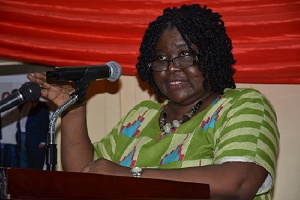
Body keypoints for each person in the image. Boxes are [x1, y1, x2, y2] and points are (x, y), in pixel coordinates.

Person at [28, 4, 279, 200]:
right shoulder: (141, 116)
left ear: (210, 57)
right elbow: (86, 177)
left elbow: (237, 184)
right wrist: (72, 106)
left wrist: (130, 176)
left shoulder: (243, 105)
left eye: (185, 55)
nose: (171, 68)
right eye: (161, 58)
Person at [0, 91, 18, 168]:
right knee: (2, 161)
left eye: (8, 97)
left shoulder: (15, 108)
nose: (6, 99)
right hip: (2, 140)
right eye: (5, 98)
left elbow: (16, 122)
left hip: (12, 140)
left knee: (11, 162)